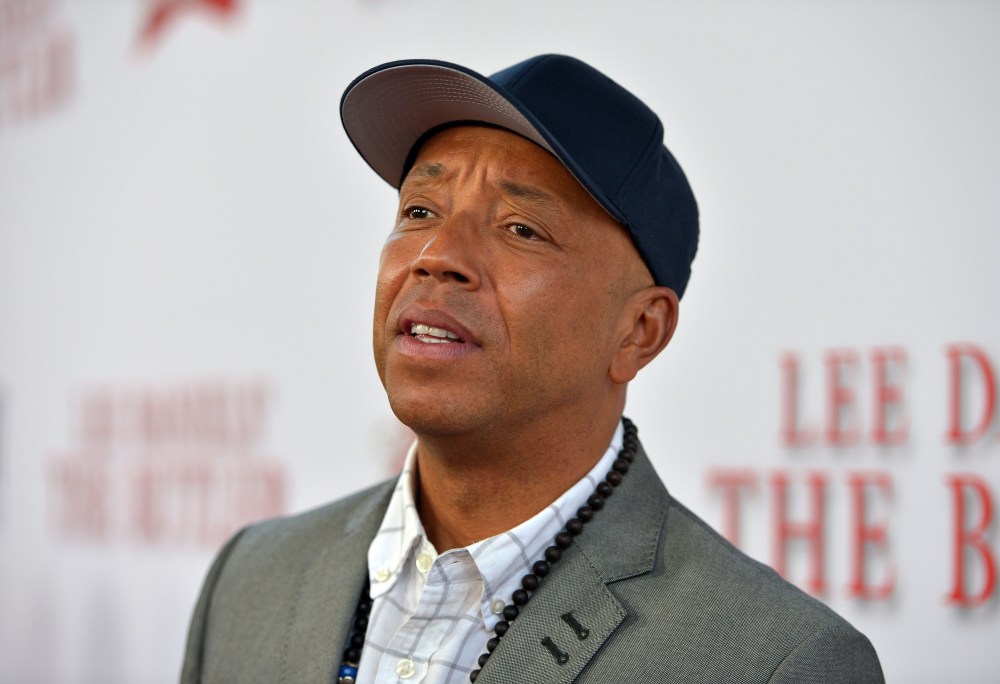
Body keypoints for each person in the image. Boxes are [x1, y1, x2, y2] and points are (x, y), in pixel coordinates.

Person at [181, 55, 884, 683]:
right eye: (420, 208)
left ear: (639, 331)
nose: (436, 252)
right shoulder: (249, 580)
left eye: (521, 228)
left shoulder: (777, 661)